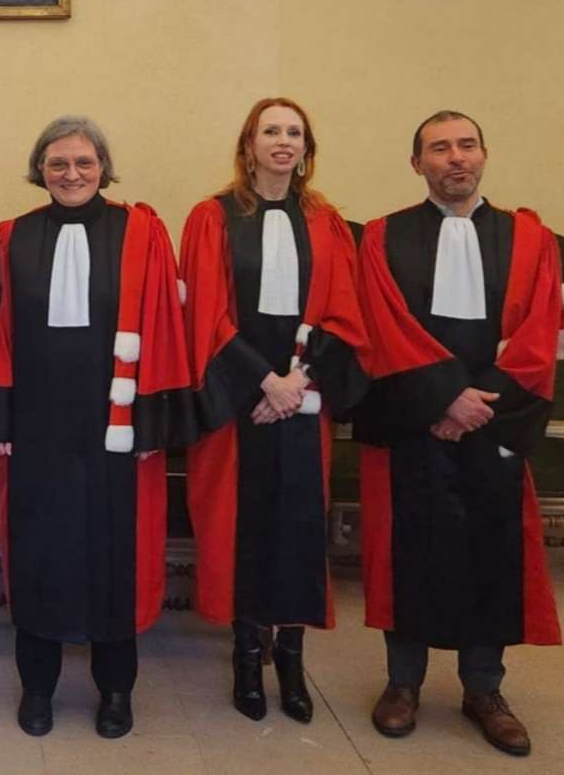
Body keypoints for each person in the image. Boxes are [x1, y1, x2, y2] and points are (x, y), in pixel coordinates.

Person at [354, 110, 564, 757]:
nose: (456, 158)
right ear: (416, 163)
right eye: (439, 148)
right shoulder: (383, 237)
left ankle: (484, 689)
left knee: (491, 552)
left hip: (494, 419)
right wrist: (445, 398)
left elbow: (537, 335)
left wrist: (479, 404)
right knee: (408, 548)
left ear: (485, 154)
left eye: (467, 145)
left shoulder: (531, 239)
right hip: (413, 419)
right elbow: (384, 326)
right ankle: (403, 683)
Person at [0, 116, 193, 739]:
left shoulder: (141, 233)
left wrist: (151, 421)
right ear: (40, 170)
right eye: (58, 163)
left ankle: (116, 690)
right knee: (38, 555)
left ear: (103, 167)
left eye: (83, 162)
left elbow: (164, 327)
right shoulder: (10, 237)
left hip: (115, 429)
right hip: (36, 429)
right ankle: (37, 688)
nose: (71, 174)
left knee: (115, 557)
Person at [180, 98, 368, 724]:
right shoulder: (212, 218)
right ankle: (245, 655)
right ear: (249, 145)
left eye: (294, 132)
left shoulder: (327, 224)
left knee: (298, 527)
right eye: (270, 131)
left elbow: (344, 312)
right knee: (242, 527)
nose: (283, 141)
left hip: (302, 401)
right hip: (239, 404)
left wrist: (296, 383)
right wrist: (264, 382)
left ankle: (290, 656)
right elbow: (206, 315)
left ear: (306, 148)